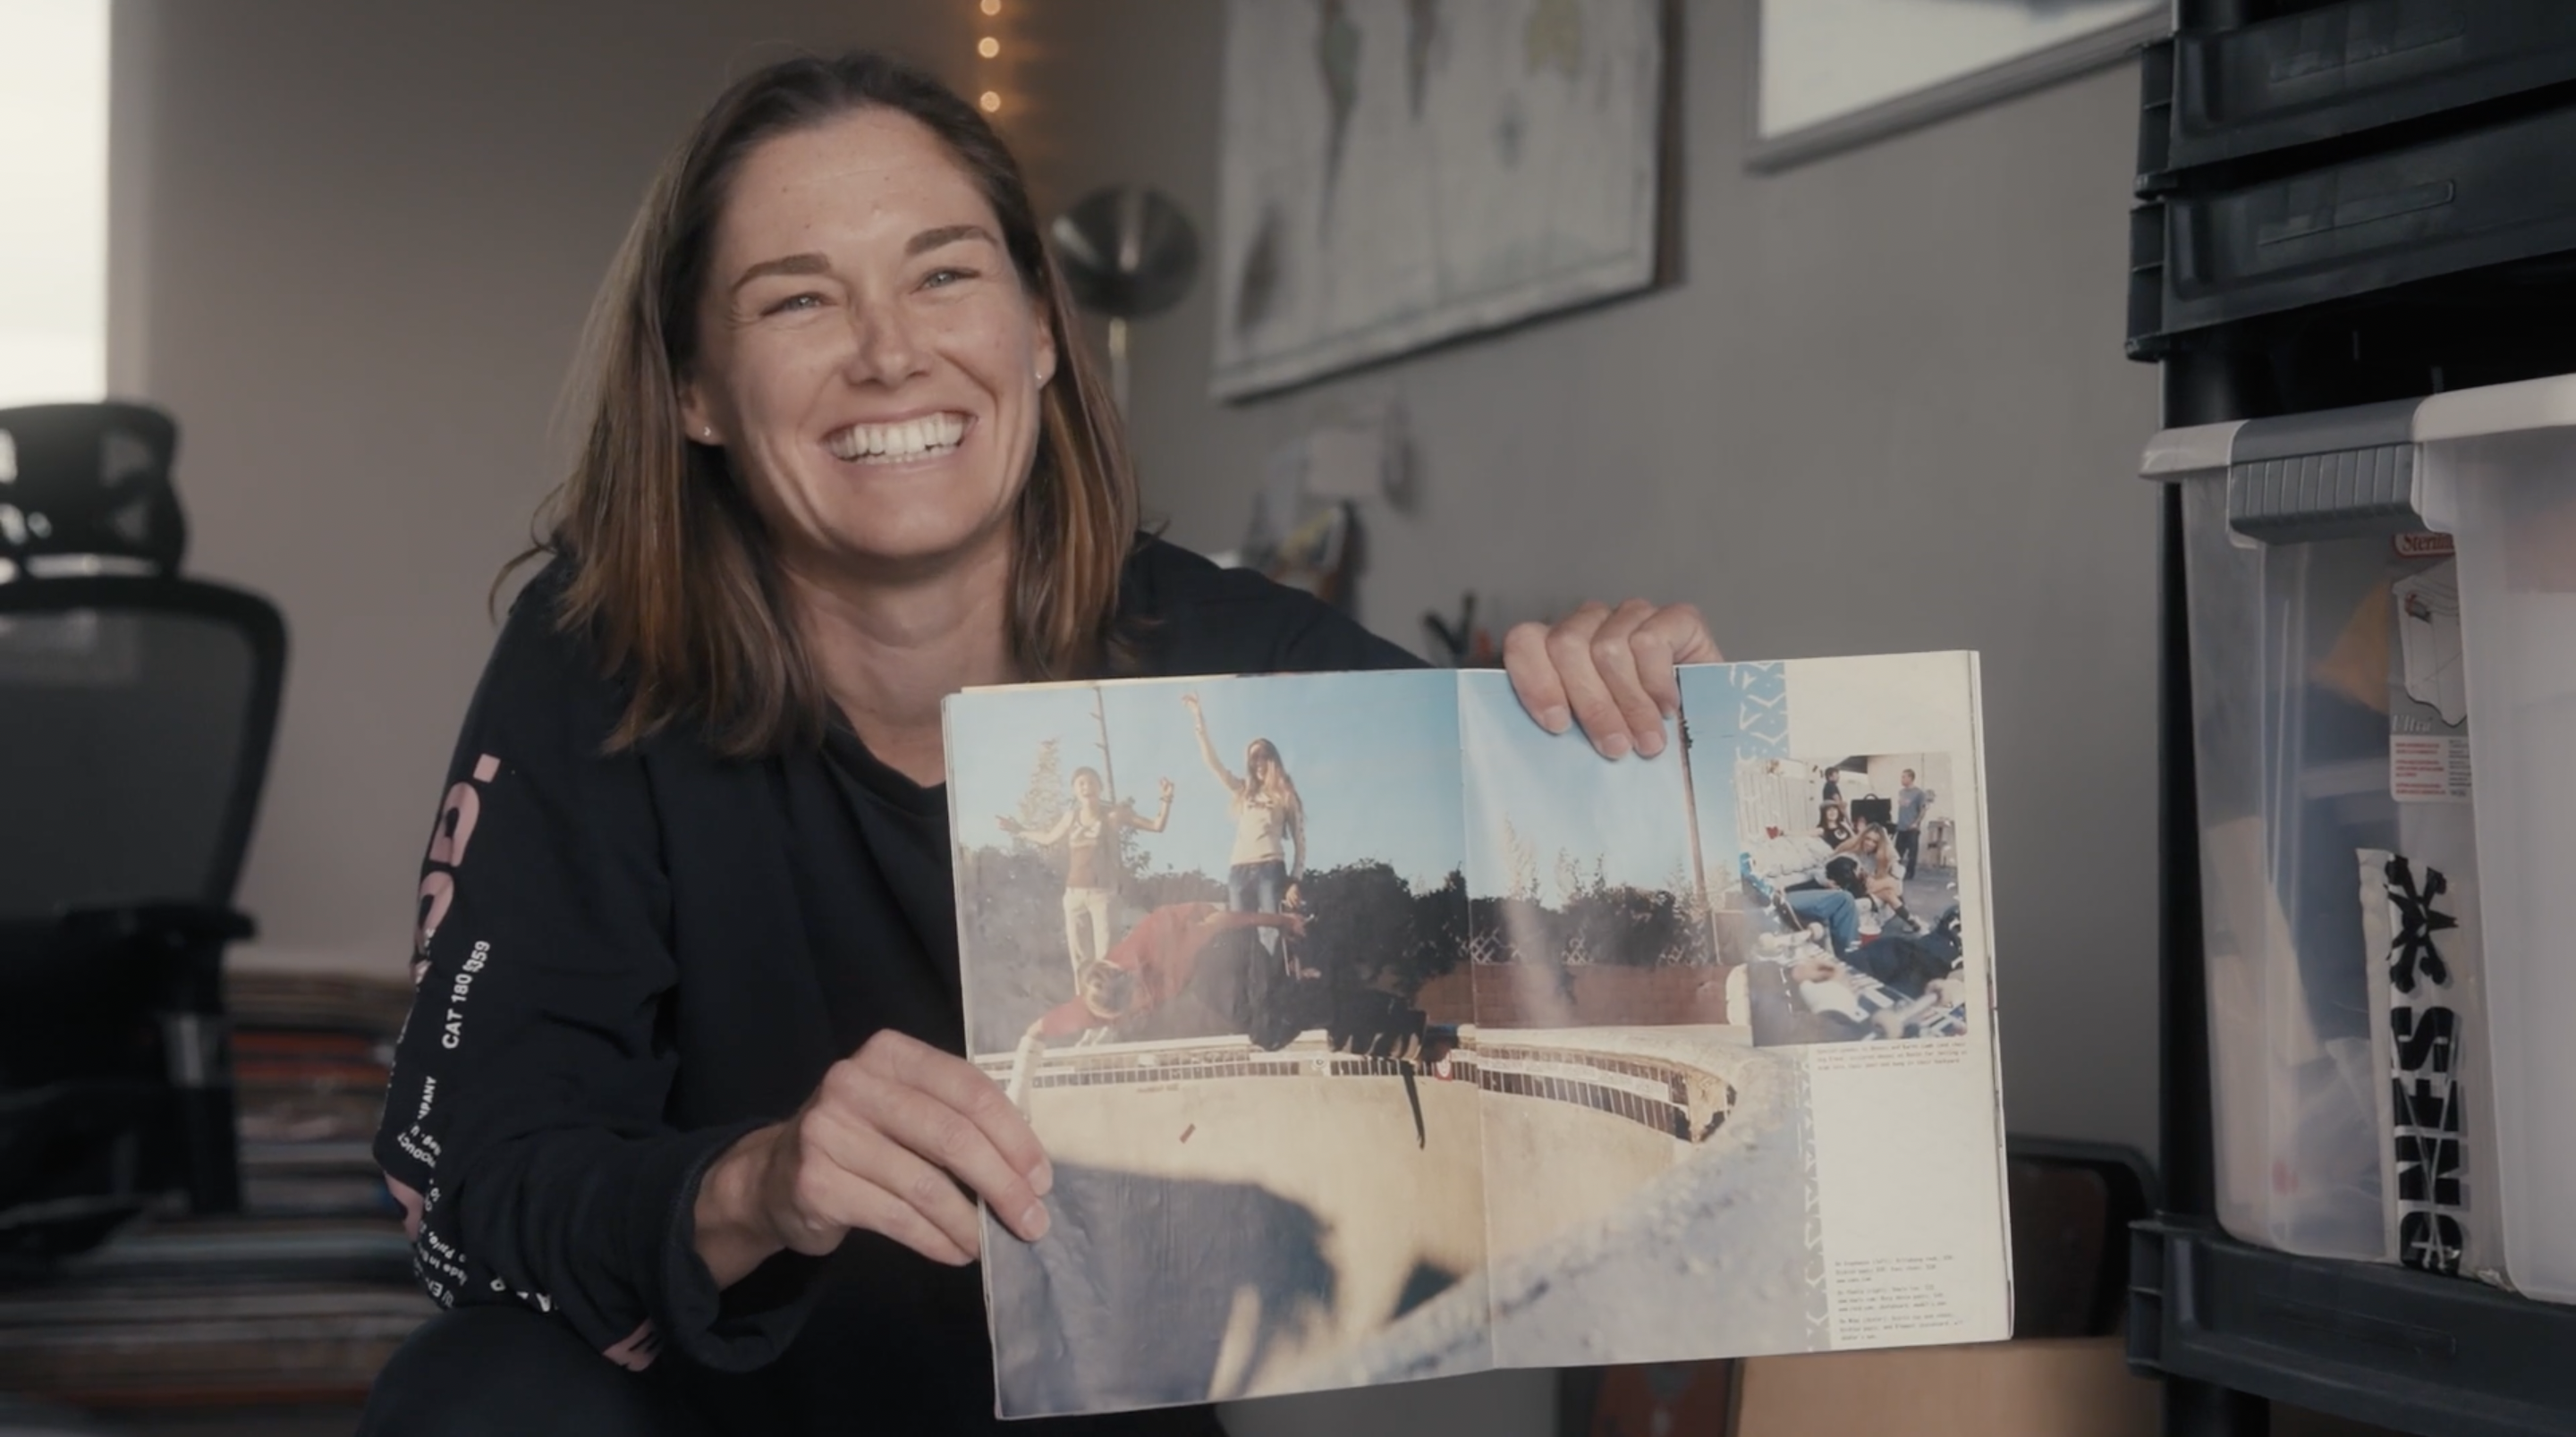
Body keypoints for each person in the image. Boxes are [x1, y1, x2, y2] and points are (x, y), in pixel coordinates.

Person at [357, 49, 1722, 1437]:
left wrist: (1633, 737)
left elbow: (1574, 920)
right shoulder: (598, 655)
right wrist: (757, 1182)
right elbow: (474, 1187)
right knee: (475, 1394)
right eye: (799, 296)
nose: (890, 348)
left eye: (944, 273)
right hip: (712, 1410)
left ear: (1041, 334)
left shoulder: (1238, 654)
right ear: (697, 389)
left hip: (1084, 1413)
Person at [1004, 903, 1305, 1099]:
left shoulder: (1168, 948)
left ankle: (1299, 988)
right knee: (1156, 1024)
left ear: (1136, 983)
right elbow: (1034, 1032)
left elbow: (1222, 920)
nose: (1122, 1019)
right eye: (1113, 1018)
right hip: (1172, 979)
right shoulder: (1090, 1009)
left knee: (1248, 1023)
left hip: (1210, 930)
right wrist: (1018, 1092)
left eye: (1127, 1011)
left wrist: (1281, 921)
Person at [997, 766, 1172, 978]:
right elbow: (1047, 838)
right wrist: (1018, 829)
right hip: (1074, 895)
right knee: (1080, 960)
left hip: (1103, 895)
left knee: (1107, 958)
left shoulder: (1113, 815)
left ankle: (1107, 1005)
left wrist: (1166, 800)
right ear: (1074, 791)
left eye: (1091, 782)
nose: (1086, 787)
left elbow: (1156, 825)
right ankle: (1084, 1005)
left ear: (1100, 787)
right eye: (1081, 783)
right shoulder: (1071, 817)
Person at [1179, 692, 1305, 972]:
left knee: (1271, 930)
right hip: (1239, 870)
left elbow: (1300, 841)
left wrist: (1295, 880)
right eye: (1253, 758)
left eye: (1263, 756)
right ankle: (1249, 992)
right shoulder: (1243, 791)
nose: (1258, 762)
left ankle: (1273, 988)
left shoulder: (1286, 794)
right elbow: (1213, 764)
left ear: (1273, 759)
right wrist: (1199, 719)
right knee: (1238, 931)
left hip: (1270, 869)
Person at [1895, 768, 1935, 879]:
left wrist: (1916, 823)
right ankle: (1897, 872)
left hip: (1912, 828)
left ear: (1910, 778)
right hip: (1901, 827)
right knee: (1897, 853)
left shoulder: (1919, 793)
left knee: (1912, 854)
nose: (1902, 779)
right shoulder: (1901, 792)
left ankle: (1909, 874)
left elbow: (1923, 810)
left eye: (1904, 777)